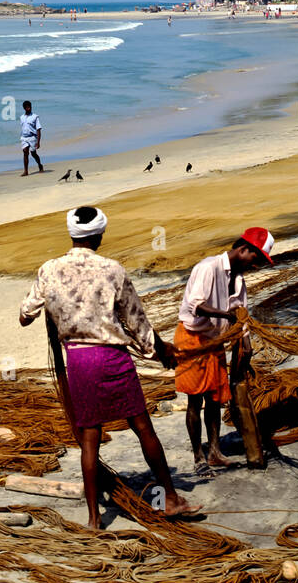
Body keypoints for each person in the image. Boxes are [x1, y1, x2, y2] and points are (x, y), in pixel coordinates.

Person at [18, 206, 193, 529]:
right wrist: (159, 352)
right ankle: (170, 497)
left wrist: (49, 313)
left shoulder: (49, 269)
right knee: (142, 427)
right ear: (99, 235)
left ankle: (94, 518)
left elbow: (25, 314)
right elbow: (136, 321)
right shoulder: (113, 270)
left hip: (79, 361)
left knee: (89, 437)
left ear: (72, 234)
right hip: (112, 358)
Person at [174, 228, 275, 477]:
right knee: (195, 400)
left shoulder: (238, 280)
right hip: (193, 339)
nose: (256, 265)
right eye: (256, 259)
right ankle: (199, 457)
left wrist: (246, 345)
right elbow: (195, 306)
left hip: (215, 340)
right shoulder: (208, 267)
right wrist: (223, 315)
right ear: (244, 249)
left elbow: (240, 315)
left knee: (215, 399)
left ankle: (215, 452)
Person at [20, 99, 43, 175]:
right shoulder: (21, 117)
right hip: (24, 138)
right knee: (25, 152)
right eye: (27, 107)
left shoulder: (35, 117)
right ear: (24, 108)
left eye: (29, 107)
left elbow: (38, 129)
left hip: (33, 137)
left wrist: (38, 142)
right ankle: (26, 171)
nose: (29, 108)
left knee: (33, 154)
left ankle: (40, 165)